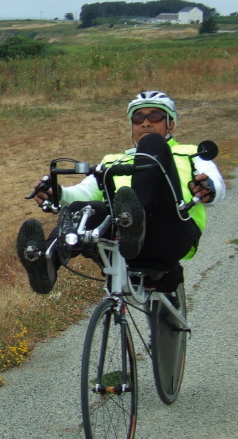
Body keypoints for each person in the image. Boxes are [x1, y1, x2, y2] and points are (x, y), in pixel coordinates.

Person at [17, 90, 226, 294]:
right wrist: (58, 193)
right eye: (138, 118)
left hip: (170, 232)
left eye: (154, 116)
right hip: (123, 239)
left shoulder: (190, 153)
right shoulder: (115, 161)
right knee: (82, 208)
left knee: (153, 144)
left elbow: (215, 181)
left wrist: (210, 188)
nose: (145, 123)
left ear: (170, 123)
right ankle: (45, 261)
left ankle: (137, 219)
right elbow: (84, 191)